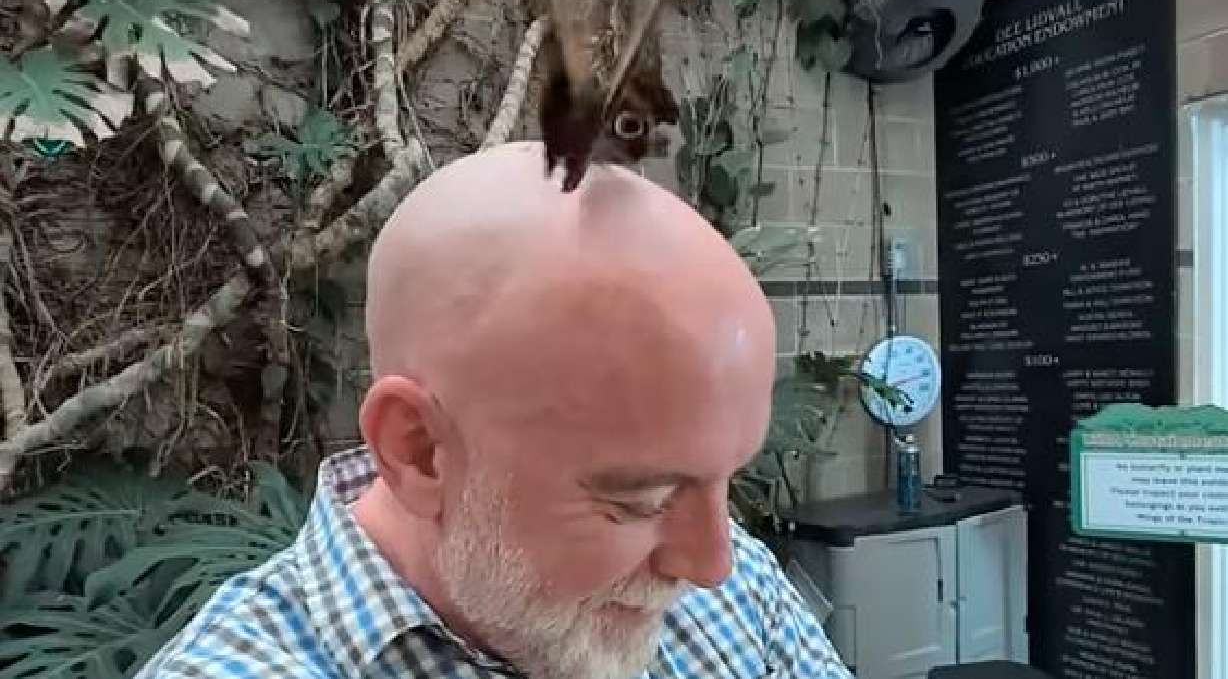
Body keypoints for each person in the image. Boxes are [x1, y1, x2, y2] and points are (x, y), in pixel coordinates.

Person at [133, 141, 853, 679]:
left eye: (723, 478)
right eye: (641, 499)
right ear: (419, 449)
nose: (712, 563)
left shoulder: (733, 599)